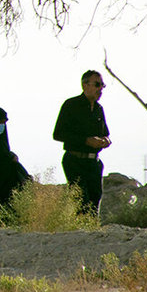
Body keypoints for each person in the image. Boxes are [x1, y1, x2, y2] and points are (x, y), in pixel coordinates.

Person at [53, 69, 111, 215]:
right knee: (81, 201)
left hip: (93, 163)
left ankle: (91, 233)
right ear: (85, 85)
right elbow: (58, 134)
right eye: (97, 84)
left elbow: (106, 134)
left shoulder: (99, 109)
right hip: (75, 161)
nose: (100, 89)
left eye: (102, 85)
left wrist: (105, 141)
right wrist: (86, 141)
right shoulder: (71, 105)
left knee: (94, 201)